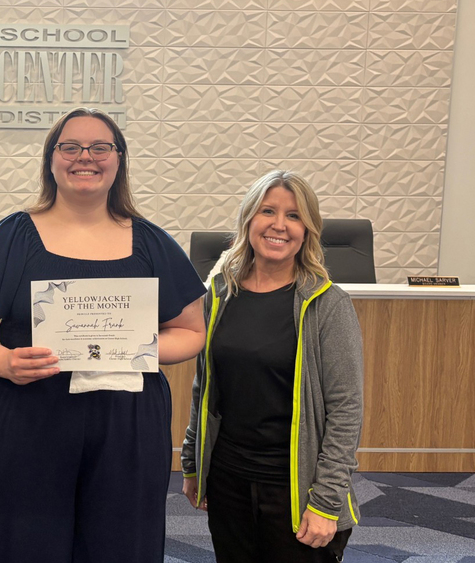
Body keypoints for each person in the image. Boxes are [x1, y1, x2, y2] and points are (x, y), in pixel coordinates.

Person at [0, 108, 207, 562]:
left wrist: (138, 349)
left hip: (125, 427)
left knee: (120, 546)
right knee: (25, 543)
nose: (85, 157)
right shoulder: (11, 236)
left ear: (119, 160)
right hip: (26, 418)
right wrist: (4, 362)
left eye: (100, 147)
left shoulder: (152, 242)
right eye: (70, 147)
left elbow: (190, 332)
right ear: (51, 159)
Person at [180, 170, 364, 563]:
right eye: (268, 211)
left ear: (308, 230)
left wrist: (326, 502)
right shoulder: (218, 295)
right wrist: (193, 463)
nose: (280, 225)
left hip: (296, 488)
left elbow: (346, 411)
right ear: (249, 220)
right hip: (228, 479)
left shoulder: (327, 305)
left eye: (294, 216)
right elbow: (205, 387)